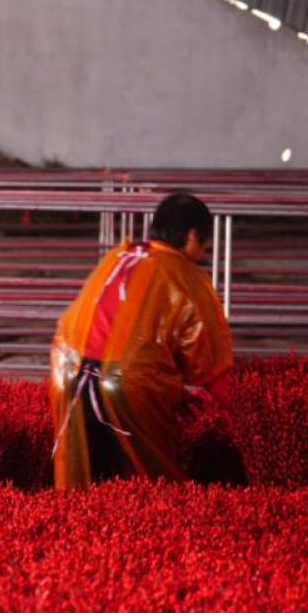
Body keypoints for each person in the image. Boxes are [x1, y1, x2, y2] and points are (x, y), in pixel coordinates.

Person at [49, 192, 233, 489]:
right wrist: (251, 418)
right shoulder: (185, 274)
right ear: (193, 235)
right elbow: (211, 364)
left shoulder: (117, 256)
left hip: (66, 372)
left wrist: (170, 388)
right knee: (150, 487)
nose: (203, 252)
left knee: (80, 486)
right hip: (130, 384)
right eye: (205, 243)